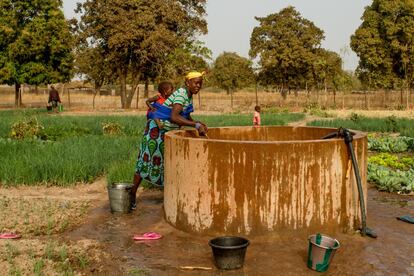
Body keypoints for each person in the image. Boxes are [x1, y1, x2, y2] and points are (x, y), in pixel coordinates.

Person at [130, 72, 208, 209]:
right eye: (196, 82)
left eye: (200, 83)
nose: (198, 86)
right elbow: (174, 117)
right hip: (156, 131)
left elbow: (185, 115)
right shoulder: (181, 94)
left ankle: (171, 197)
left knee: (167, 163)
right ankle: (131, 194)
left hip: (166, 131)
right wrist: (195, 125)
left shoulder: (188, 96)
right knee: (145, 161)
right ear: (187, 83)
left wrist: (197, 123)